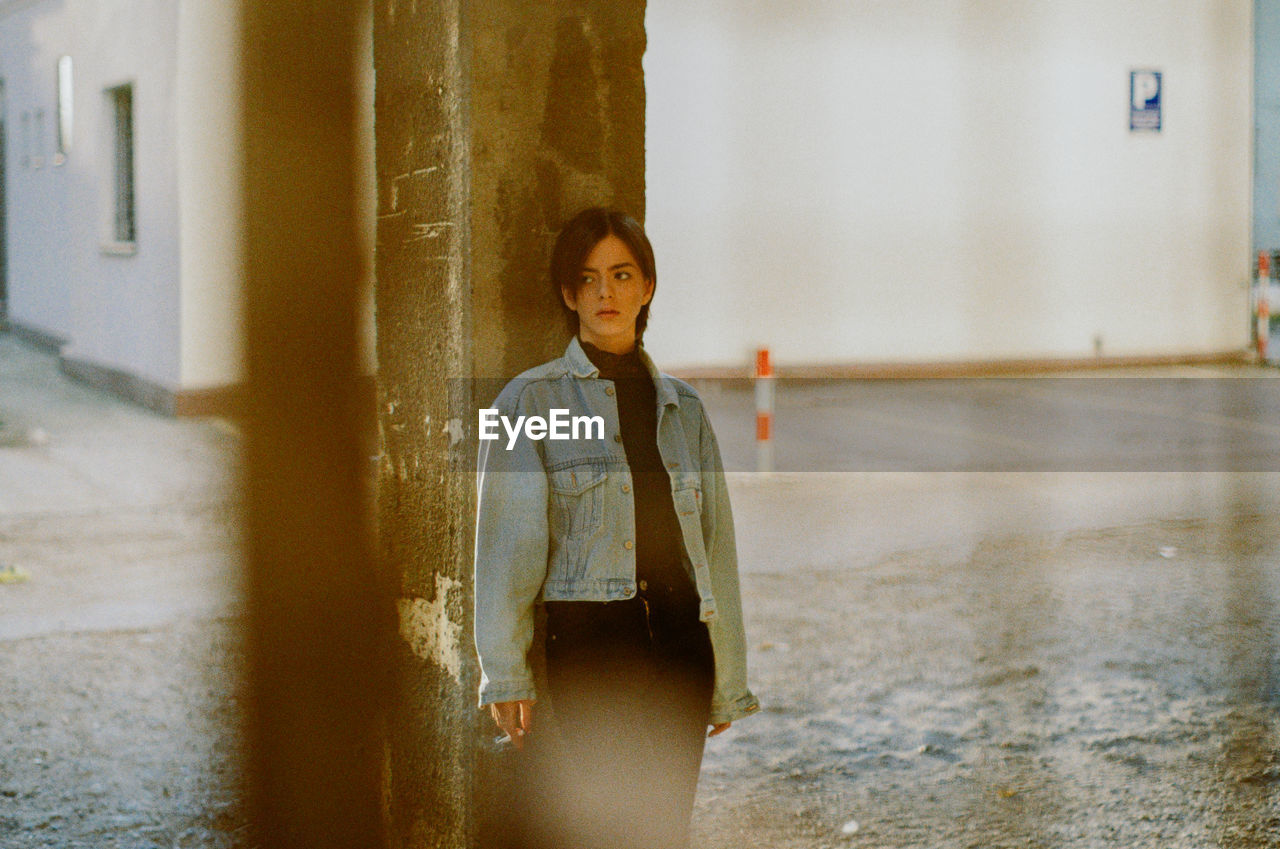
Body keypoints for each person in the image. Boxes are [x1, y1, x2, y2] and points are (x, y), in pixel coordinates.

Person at [474, 207, 759, 849]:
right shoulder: (526, 403)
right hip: (591, 655)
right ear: (569, 294)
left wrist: (728, 679)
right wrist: (505, 671)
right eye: (590, 278)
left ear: (647, 287)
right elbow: (504, 545)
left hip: (682, 652)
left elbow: (715, 549)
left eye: (623, 274)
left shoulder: (685, 408)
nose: (607, 293)